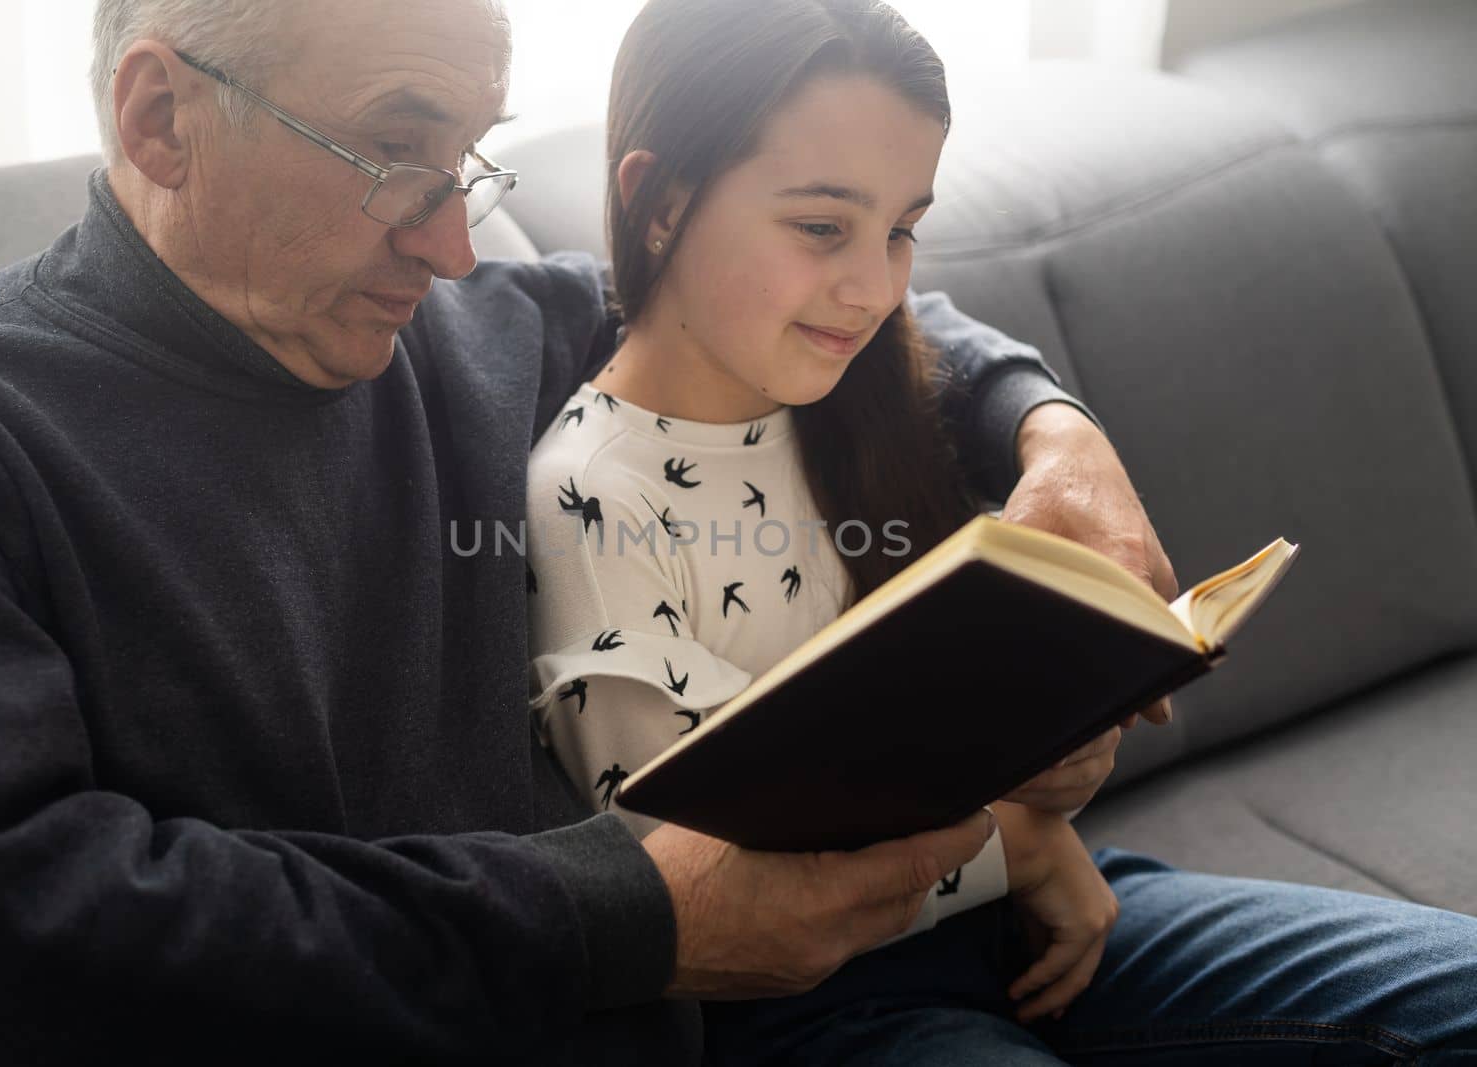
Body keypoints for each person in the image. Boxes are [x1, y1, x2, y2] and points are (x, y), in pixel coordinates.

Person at [0, 0, 1168, 1063]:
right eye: (396, 154)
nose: (451, 243)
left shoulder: (482, 323)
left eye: (470, 161)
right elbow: (11, 926)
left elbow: (793, 292)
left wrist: (1057, 433)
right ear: (163, 119)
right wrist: (629, 912)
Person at [522, 2, 1477, 1065]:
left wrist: (1066, 745)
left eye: (900, 228)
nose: (876, 286)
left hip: (1038, 896)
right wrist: (1022, 845)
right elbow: (703, 879)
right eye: (822, 227)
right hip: (822, 1003)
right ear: (656, 201)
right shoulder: (592, 490)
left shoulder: (861, 385)